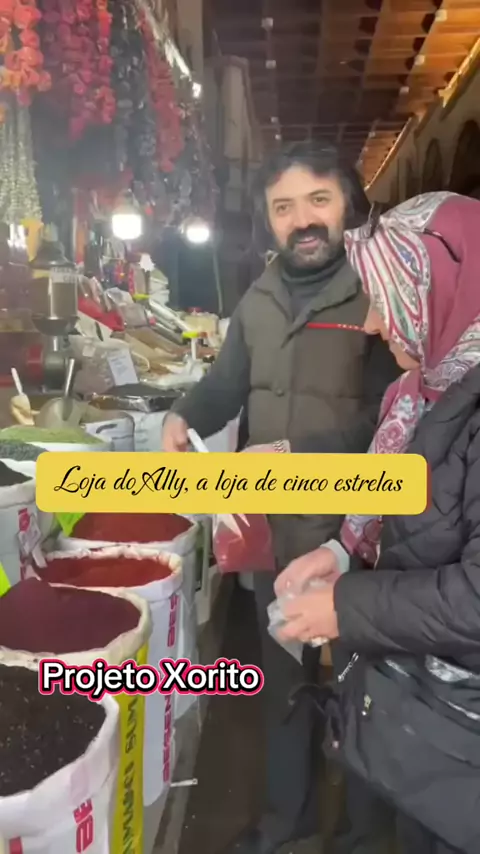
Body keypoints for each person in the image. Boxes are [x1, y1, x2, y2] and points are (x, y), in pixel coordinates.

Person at [162, 141, 399, 854]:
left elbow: (393, 416)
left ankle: (362, 837)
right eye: (284, 207)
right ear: (268, 219)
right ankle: (285, 826)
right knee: (282, 684)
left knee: (364, 690)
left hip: (361, 531)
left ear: (348, 204)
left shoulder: (378, 292)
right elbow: (227, 385)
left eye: (318, 201)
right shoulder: (259, 297)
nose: (303, 221)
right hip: (275, 528)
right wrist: (183, 414)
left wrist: (300, 456)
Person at [272, 191, 480, 854]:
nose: (369, 324)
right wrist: (341, 551)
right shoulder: (425, 391)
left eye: (386, 299)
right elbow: (410, 507)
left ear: (436, 293)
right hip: (431, 719)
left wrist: (346, 607)